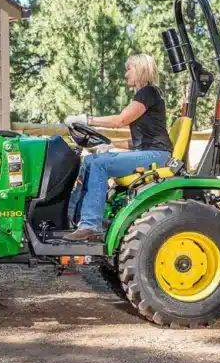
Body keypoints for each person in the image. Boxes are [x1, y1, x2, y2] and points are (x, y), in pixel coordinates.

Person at [62, 53, 172, 241]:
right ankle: (72, 217)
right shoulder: (146, 95)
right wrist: (110, 144)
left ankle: (90, 224)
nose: (125, 74)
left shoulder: (148, 93)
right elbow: (139, 140)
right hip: (148, 151)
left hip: (156, 155)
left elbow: (121, 120)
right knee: (89, 160)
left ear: (140, 69)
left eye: (129, 69)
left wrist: (86, 119)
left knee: (99, 164)